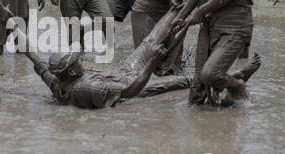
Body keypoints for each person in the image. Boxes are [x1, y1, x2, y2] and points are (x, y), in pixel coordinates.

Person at [21, 9, 192, 108]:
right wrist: (153, 62)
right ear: (72, 71)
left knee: (150, 41)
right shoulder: (88, 88)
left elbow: (37, 60)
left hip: (123, 72)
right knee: (181, 81)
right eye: (77, 61)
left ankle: (178, 7)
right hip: (132, 87)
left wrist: (15, 32)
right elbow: (131, 91)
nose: (81, 62)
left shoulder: (56, 80)